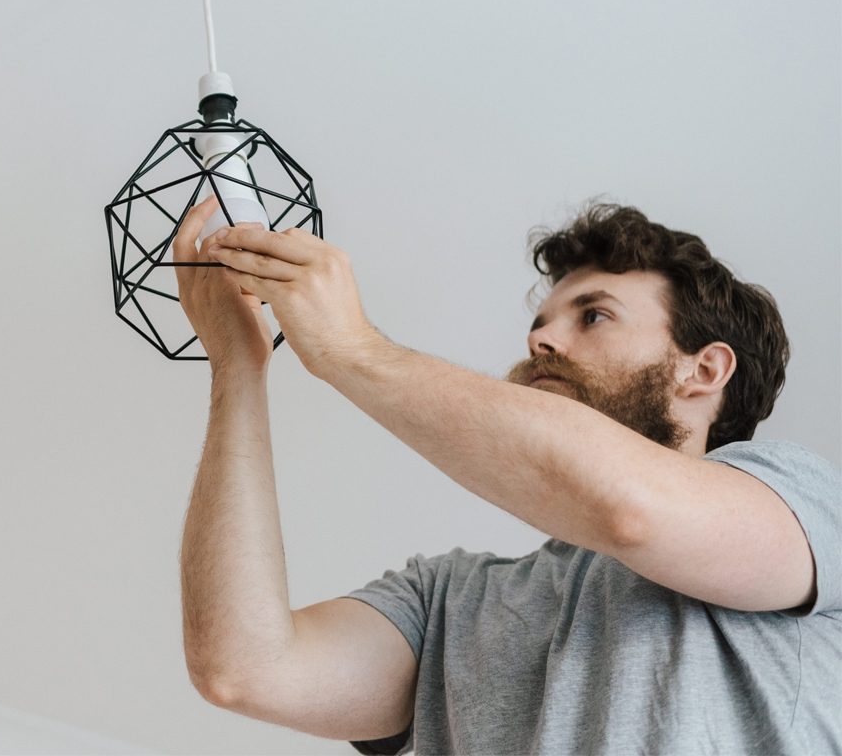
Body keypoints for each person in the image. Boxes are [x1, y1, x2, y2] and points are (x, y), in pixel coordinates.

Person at [175, 196, 841, 755]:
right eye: (540, 324)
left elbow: (628, 510)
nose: (541, 341)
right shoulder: (448, 598)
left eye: (594, 315)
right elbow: (245, 668)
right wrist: (238, 367)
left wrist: (355, 351)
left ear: (704, 370)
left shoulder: (799, 496)